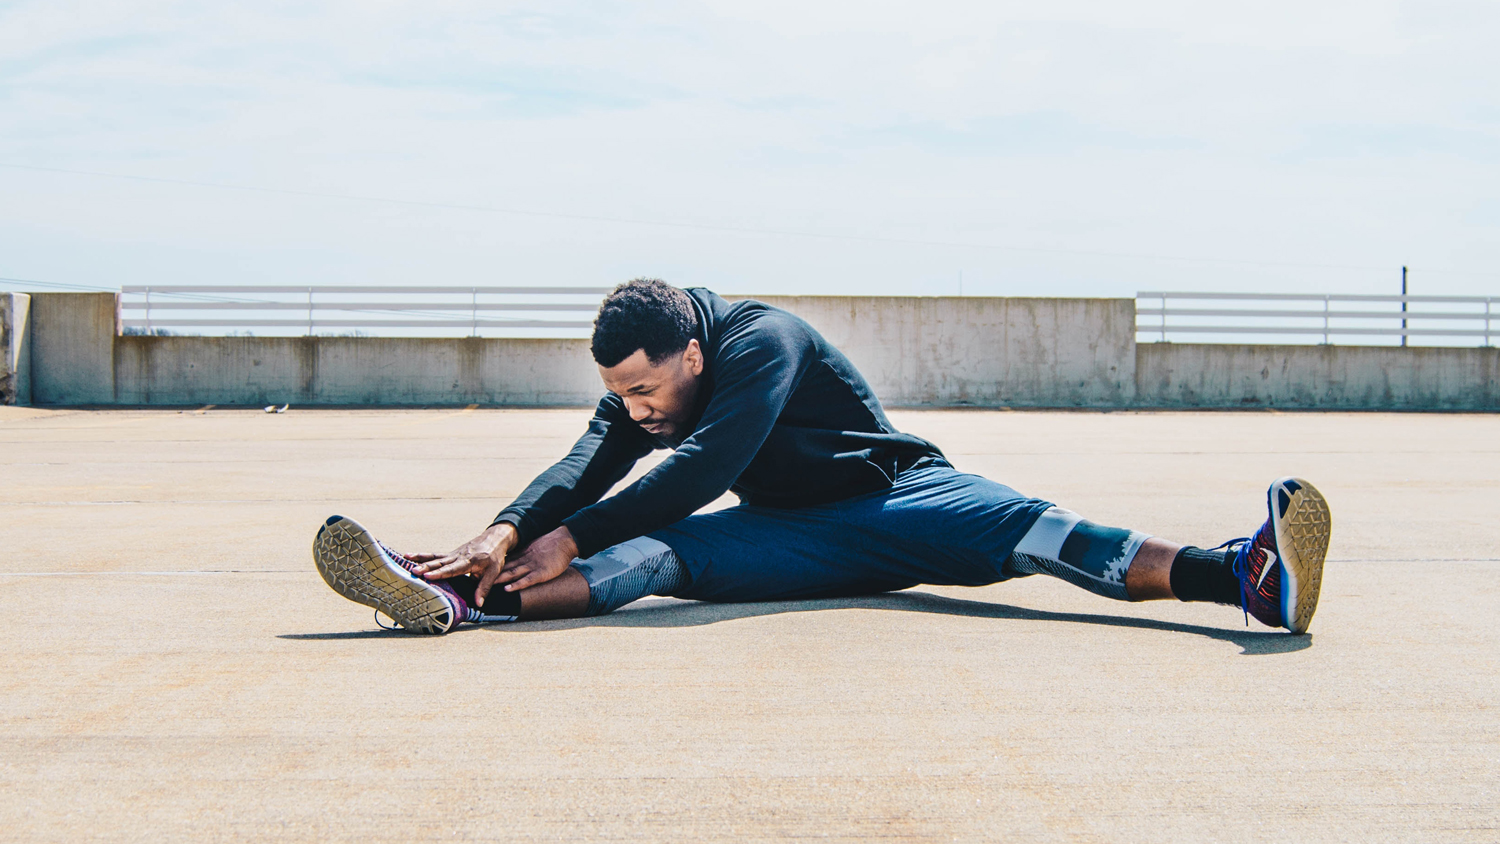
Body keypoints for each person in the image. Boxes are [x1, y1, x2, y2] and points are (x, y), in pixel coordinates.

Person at [313, 279, 1331, 636]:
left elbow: (705, 465)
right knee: (659, 557)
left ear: (695, 355)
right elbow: (590, 460)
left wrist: (570, 529)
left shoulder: (765, 342)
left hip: (901, 498)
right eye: (624, 393)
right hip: (787, 540)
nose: (636, 410)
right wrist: (507, 529)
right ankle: (460, 599)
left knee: (1039, 531)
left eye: (648, 392)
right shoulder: (645, 383)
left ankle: (1243, 574)